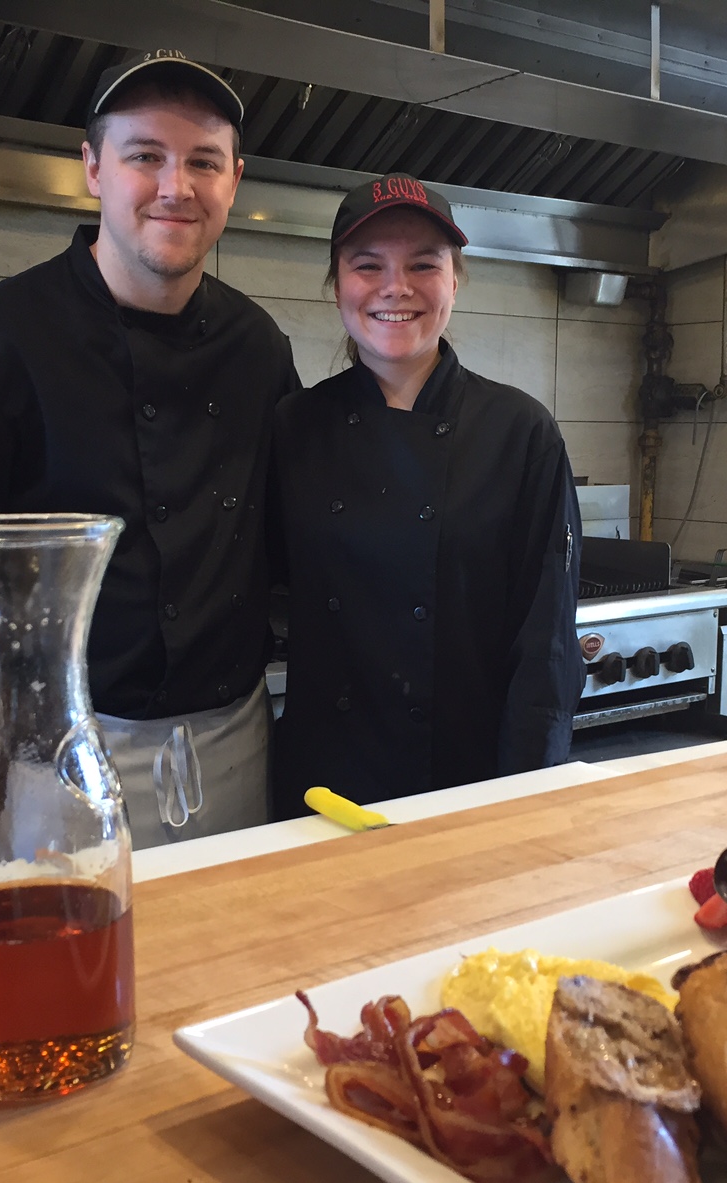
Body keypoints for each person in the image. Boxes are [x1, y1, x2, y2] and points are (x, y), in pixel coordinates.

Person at [0, 51, 300, 849]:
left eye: (203, 162)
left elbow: (290, 535)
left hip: (233, 743)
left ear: (234, 182)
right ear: (93, 168)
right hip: (45, 753)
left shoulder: (258, 346)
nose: (177, 185)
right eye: (146, 156)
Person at [270, 173, 583, 819]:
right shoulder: (293, 427)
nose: (396, 286)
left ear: (455, 279)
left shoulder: (519, 431)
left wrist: (524, 795)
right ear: (337, 285)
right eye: (368, 265)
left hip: (467, 779)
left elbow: (545, 639)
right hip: (323, 777)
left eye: (423, 264)